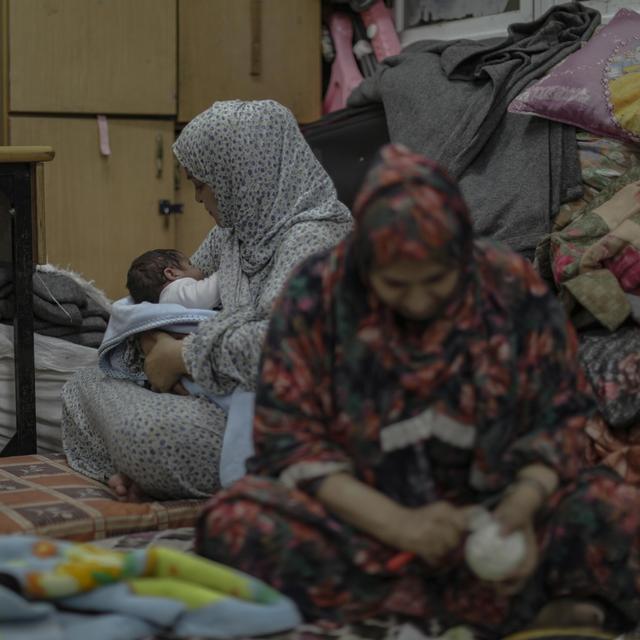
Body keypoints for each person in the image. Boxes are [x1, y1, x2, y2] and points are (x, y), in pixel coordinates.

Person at [195, 144, 640, 636]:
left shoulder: (508, 287)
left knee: (618, 512)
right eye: (395, 285)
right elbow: (290, 442)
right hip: (367, 520)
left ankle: (432, 609)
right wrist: (399, 526)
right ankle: (509, 609)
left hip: (496, 511)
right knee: (232, 524)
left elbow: (558, 414)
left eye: (435, 281)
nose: (418, 301)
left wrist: (524, 504)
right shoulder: (316, 295)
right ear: (366, 263)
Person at [61, 100, 353, 500]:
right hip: (213, 389)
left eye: (202, 183)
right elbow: (168, 297)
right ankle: (143, 469)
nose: (198, 198)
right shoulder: (235, 231)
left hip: (277, 415)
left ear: (241, 173)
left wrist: (181, 357)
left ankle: (146, 468)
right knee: (83, 383)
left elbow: (284, 349)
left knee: (146, 436)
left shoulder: (314, 241)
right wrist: (153, 341)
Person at [126, 248, 221, 309]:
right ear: (171, 273)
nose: (197, 267)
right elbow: (208, 293)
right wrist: (226, 268)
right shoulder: (173, 293)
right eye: (190, 264)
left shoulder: (165, 300)